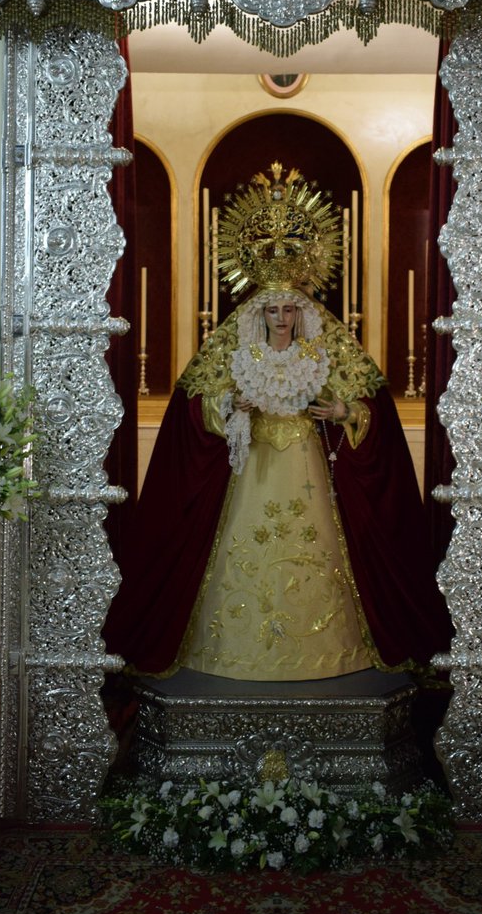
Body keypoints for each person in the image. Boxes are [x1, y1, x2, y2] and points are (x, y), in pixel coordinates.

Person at [103, 165, 452, 680]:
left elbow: (367, 406)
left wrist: (341, 413)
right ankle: (233, 651)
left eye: (291, 309)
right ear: (260, 313)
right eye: (274, 311)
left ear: (301, 310)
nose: (283, 318)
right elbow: (194, 410)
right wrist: (229, 410)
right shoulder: (234, 349)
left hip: (309, 467)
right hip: (252, 470)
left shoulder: (327, 346)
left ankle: (328, 650)